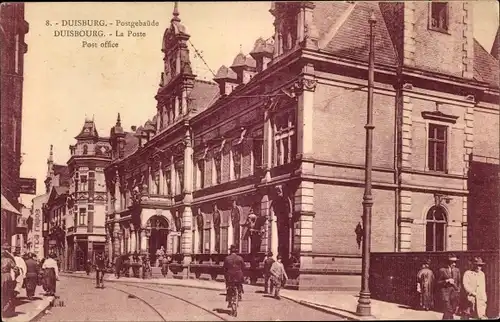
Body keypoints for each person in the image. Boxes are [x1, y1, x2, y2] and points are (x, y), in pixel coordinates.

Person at [437, 254, 461, 320]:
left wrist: (458, 291)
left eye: (455, 262)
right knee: (448, 309)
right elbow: (438, 282)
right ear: (448, 262)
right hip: (445, 293)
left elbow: (459, 282)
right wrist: (447, 280)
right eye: (452, 262)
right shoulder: (442, 270)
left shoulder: (457, 270)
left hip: (454, 293)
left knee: (452, 309)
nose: (454, 264)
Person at [1, 243, 19, 317]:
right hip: (7, 276)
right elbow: (16, 269)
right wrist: (16, 276)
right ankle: (6, 310)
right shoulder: (9, 260)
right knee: (8, 293)